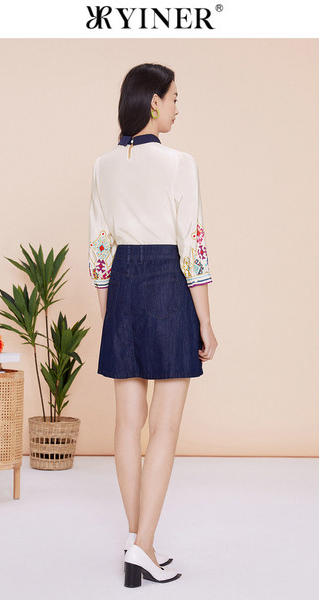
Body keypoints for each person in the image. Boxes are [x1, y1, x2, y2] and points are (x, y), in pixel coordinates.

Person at [88, 63, 218, 587]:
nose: (178, 108)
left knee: (127, 424)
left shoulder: (103, 166)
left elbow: (99, 248)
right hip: (168, 284)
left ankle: (135, 540)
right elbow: (193, 246)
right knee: (164, 426)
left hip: (122, 286)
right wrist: (205, 320)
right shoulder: (179, 163)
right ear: (154, 102)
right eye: (174, 98)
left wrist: (110, 313)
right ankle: (143, 545)